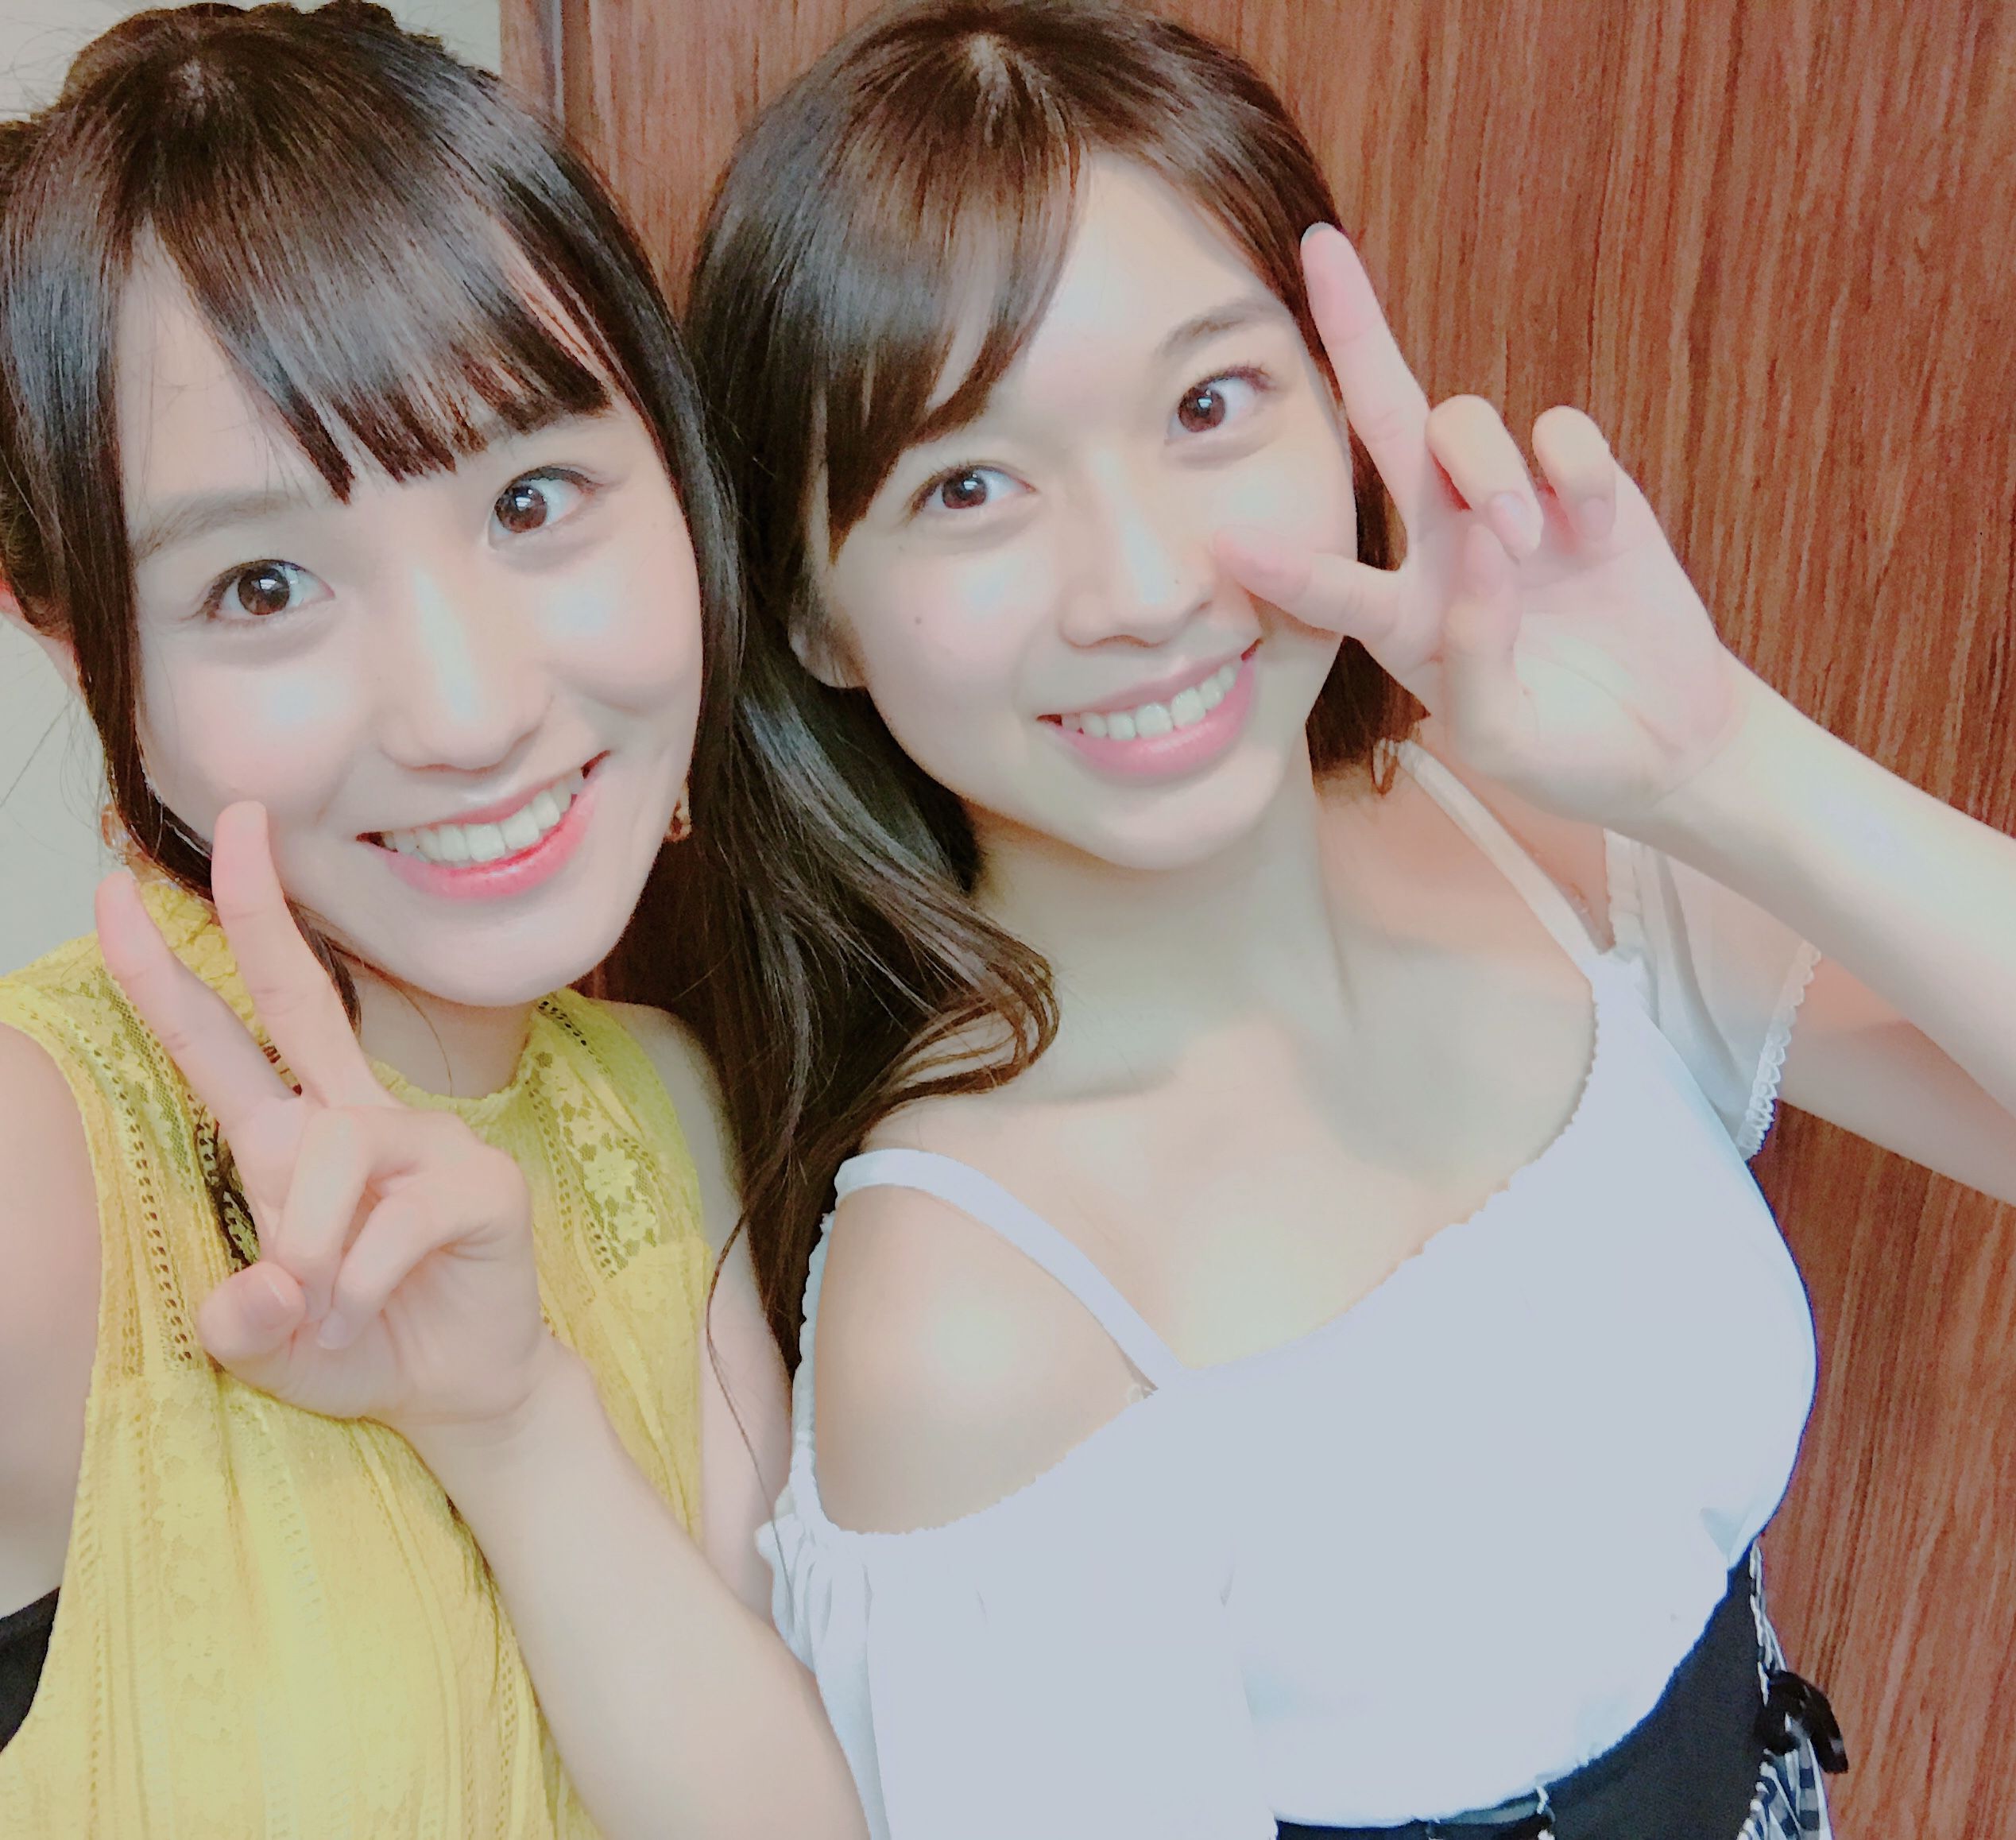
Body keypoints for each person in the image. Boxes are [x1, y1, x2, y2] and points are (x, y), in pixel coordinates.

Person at [674, 2, 2016, 1834]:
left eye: (1209, 405)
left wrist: (1725, 769)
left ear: (1337, 405)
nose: (1142, 586)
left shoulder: (1528, 836)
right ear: (814, 611)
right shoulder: (970, 1320)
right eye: (968, 485)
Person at [0, 6, 858, 1836]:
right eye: (263, 584)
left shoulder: (662, 1103)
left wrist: (513, 1419)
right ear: (75, 638)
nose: (467, 710)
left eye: (533, 497)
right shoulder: (36, 1171)